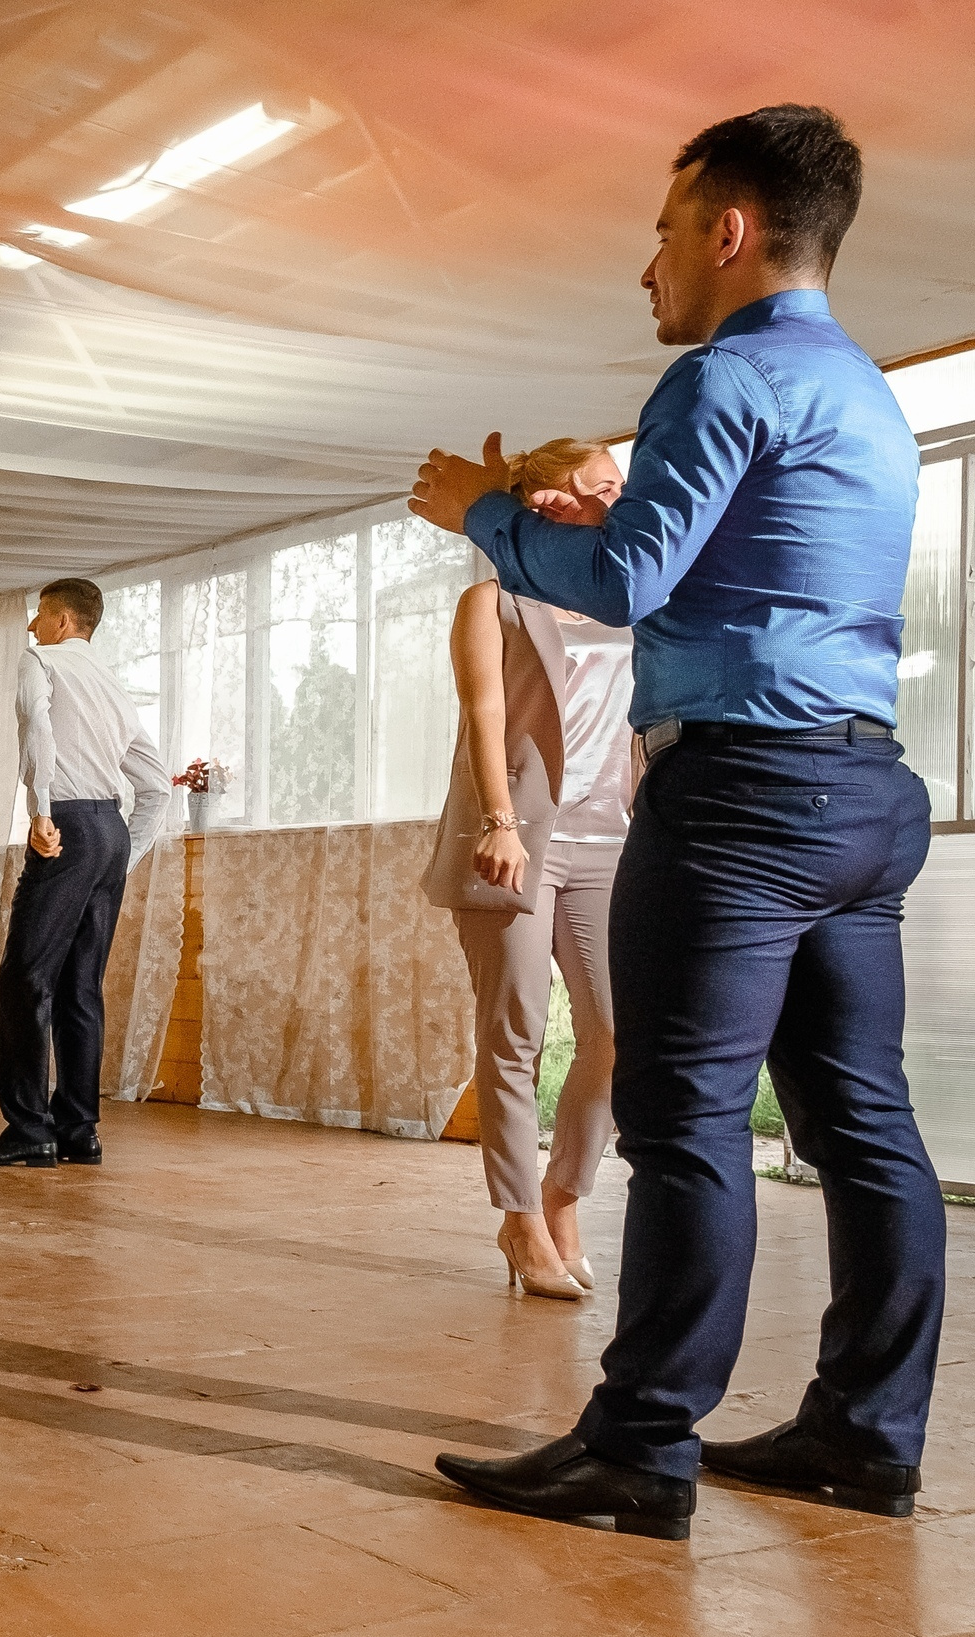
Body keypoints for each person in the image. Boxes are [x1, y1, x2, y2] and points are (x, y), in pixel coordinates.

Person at [415, 107, 939, 1539]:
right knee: (865, 1123)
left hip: (744, 793)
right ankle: (865, 1432)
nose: (647, 268)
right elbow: (727, 554)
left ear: (727, 230)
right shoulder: (866, 393)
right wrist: (586, 489)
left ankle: (641, 1447)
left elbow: (630, 578)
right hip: (867, 788)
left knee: (685, 1114)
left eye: (660, 232)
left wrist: (484, 511)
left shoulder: (726, 376)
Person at [422, 439, 635, 1304]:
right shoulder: (492, 600)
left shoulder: (632, 603)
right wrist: (501, 823)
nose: (624, 502)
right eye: (605, 488)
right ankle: (517, 1217)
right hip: (514, 840)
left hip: (611, 840)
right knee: (515, 1031)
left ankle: (564, 1194)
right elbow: (483, 718)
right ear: (549, 502)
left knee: (617, 1032)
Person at [0, 579, 169, 1170]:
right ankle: (80, 1130)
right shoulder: (112, 686)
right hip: (110, 831)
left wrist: (41, 813)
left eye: (39, 616)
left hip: (69, 825)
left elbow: (37, 729)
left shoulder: (40, 660)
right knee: (81, 986)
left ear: (63, 622)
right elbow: (157, 786)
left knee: (24, 976)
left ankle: (29, 1128)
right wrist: (123, 854)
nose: (30, 628)